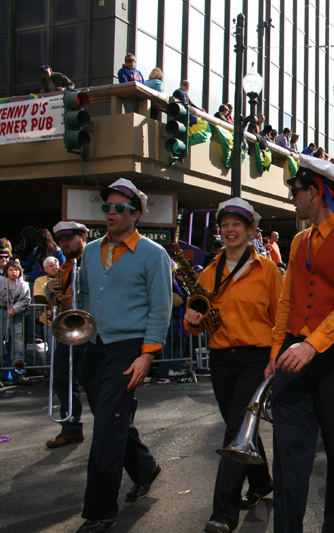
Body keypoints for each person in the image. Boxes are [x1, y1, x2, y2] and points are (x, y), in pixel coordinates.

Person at [266, 154, 334, 532]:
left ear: (315, 192)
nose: (292, 199)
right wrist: (276, 351)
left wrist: (312, 345)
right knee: (288, 455)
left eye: (295, 191)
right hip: (293, 356)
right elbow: (287, 301)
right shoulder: (298, 241)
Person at [76, 178, 171, 533]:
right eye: (107, 208)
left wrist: (147, 354)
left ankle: (100, 511)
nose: (111, 213)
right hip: (95, 347)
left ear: (136, 214)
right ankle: (145, 468)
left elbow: (160, 309)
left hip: (129, 348)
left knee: (105, 431)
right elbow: (85, 296)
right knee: (112, 421)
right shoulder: (89, 250)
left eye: (119, 208)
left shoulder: (153, 254)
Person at [184, 198, 282, 533]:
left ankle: (223, 513)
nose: (230, 230)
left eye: (237, 224)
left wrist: (274, 359)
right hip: (222, 358)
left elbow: (280, 319)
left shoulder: (268, 270)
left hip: (256, 357)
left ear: (251, 230)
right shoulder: (209, 271)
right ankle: (261, 483)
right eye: (225, 225)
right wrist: (193, 319)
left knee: (235, 431)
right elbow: (196, 323)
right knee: (241, 427)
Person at [43, 222, 90, 448]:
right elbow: (59, 300)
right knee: (62, 377)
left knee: (95, 382)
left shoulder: (94, 262)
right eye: (60, 241)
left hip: (92, 333)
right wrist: (49, 291)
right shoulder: (64, 268)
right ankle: (71, 426)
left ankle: (115, 424)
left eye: (68, 239)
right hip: (69, 333)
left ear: (83, 238)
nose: (64, 244)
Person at [1, 259, 30, 384]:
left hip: (16, 316)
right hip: (1, 313)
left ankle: (19, 375)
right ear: (6, 271)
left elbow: (26, 299)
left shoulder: (23, 284)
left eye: (16, 270)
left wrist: (15, 308)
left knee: (17, 343)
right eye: (11, 270)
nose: (14, 272)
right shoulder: (1, 281)